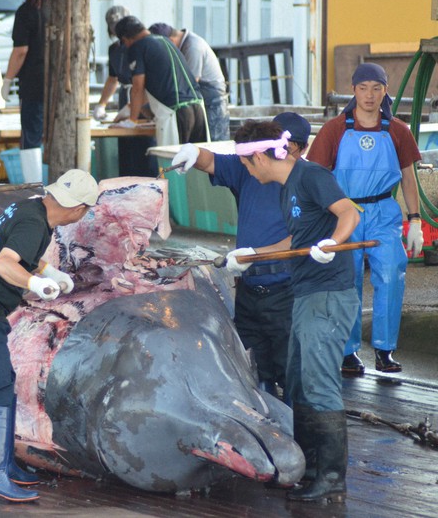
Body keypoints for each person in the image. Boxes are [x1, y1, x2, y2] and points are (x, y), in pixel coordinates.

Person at [0, 168, 98, 502]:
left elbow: (19, 249)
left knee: (3, 385)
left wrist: (48, 270)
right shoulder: (34, 223)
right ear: (78, 209)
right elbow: (4, 263)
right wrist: (33, 283)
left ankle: (5, 464)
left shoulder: (33, 210)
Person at [235, 120, 359, 505]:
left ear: (258, 156)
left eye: (246, 164)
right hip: (304, 292)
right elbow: (296, 239)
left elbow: (349, 212)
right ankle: (310, 469)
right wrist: (254, 254)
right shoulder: (288, 187)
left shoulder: (310, 176)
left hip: (328, 295)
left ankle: (332, 478)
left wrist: (333, 242)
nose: (247, 173)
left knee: (320, 383)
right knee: (300, 381)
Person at [173, 113, 311, 401]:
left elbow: (302, 238)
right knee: (252, 370)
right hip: (248, 291)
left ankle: (298, 435)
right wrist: (193, 152)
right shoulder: (247, 167)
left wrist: (255, 254)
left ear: (298, 148)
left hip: (287, 290)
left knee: (292, 371)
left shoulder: (306, 181)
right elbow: (212, 161)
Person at [308, 62, 423, 375]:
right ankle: (347, 351)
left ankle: (385, 350)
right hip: (344, 213)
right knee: (348, 281)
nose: (369, 95)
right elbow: (314, 176)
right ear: (354, 91)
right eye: (363, 88)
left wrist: (414, 220)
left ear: (385, 91)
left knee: (391, 274)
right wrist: (316, 220)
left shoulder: (399, 131)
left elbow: (408, 179)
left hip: (384, 213)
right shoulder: (334, 129)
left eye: (376, 88)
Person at [112, 16, 208, 147]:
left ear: (125, 39)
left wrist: (132, 120)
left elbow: (138, 87)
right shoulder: (166, 41)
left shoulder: (138, 47)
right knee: (198, 164)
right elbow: (160, 85)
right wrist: (130, 108)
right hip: (198, 108)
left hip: (176, 112)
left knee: (173, 163)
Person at [92, 5, 157, 177]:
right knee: (126, 151)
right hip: (125, 96)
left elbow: (140, 84)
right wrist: (101, 104)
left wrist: (134, 111)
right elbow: (113, 79)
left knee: (145, 150)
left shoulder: (141, 45)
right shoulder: (114, 50)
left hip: (142, 98)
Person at [1, 0, 52, 183]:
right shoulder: (58, 8)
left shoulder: (25, 11)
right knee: (53, 134)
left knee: (31, 136)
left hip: (33, 84)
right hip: (59, 87)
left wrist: (7, 80)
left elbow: (20, 51)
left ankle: (34, 188)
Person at [149, 22, 229, 141]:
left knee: (213, 146)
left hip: (213, 102)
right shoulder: (184, 45)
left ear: (170, 40)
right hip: (200, 100)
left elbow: (189, 83)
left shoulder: (193, 47)